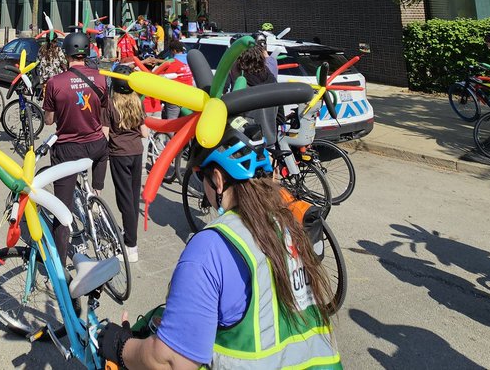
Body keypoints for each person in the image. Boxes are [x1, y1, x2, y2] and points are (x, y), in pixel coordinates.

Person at [97, 121, 340, 369]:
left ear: (218, 179)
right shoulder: (287, 221)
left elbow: (170, 362)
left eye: (202, 177)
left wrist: (120, 344)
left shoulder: (211, 248)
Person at [42, 30, 109, 266]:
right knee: (102, 154)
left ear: (66, 53)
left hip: (69, 150)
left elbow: (49, 121)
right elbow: (102, 112)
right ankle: (96, 194)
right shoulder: (101, 79)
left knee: (62, 210)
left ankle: (58, 263)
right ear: (87, 52)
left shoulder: (55, 83)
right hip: (97, 146)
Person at [107, 73, 146, 263]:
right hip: (137, 152)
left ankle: (131, 246)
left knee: (125, 201)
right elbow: (145, 132)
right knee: (132, 196)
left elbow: (105, 133)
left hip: (119, 154)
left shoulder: (111, 104)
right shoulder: (138, 102)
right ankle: (130, 234)